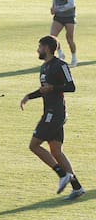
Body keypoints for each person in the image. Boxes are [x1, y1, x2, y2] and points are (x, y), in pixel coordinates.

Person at [20, 35, 85, 200]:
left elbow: (71, 87)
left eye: (40, 47)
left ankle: (62, 174)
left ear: (47, 48)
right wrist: (29, 96)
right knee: (56, 151)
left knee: (34, 145)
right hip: (49, 111)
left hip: (55, 113)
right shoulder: (44, 67)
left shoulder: (60, 65)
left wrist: (53, 88)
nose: (38, 50)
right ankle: (77, 188)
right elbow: (44, 89)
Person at [50, 0, 77, 67]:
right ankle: (60, 53)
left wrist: (58, 9)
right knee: (52, 37)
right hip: (59, 17)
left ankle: (74, 58)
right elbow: (55, 1)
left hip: (69, 16)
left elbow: (71, 4)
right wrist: (53, 8)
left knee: (69, 38)